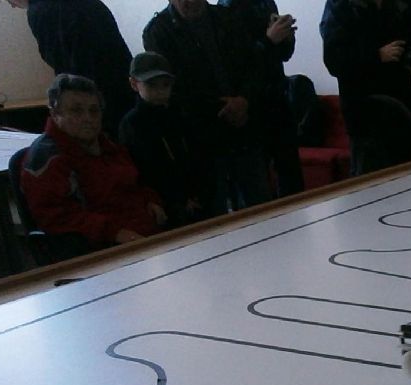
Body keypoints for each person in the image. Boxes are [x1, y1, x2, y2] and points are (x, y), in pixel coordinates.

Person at [144, 0, 273, 216]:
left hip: (244, 127)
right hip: (200, 138)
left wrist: (244, 100)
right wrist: (225, 107)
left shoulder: (227, 17)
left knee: (262, 210)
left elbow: (253, 66)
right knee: (213, 214)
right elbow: (174, 90)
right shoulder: (158, 32)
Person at [21, 74, 165, 258]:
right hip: (104, 250)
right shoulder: (47, 159)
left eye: (94, 111)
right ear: (55, 114)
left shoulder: (106, 145)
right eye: (76, 111)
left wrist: (150, 199)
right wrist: (114, 232)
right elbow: (58, 217)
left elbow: (134, 181)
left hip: (147, 237)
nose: (88, 118)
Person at [320, 0, 411, 174]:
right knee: (368, 179)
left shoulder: (404, 2)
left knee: (408, 178)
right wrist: (377, 56)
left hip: (402, 105)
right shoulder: (341, 4)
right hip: (364, 111)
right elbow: (334, 60)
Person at [0, 0, 135, 136]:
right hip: (125, 90)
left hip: (93, 99)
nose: (13, 6)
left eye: (9, 1)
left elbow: (63, 64)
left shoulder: (41, 11)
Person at [218, 0, 305, 197]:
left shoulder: (265, 3)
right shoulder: (226, 9)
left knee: (292, 179)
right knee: (256, 185)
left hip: (277, 98)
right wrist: (269, 39)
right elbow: (238, 63)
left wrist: (286, 37)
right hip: (250, 105)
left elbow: (283, 55)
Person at [119, 52, 208, 228]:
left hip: (197, 195)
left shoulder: (178, 113)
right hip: (165, 204)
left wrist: (198, 191)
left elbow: (196, 153)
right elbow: (145, 169)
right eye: (151, 85)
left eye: (166, 85)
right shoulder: (132, 124)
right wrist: (179, 199)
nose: (160, 91)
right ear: (134, 84)